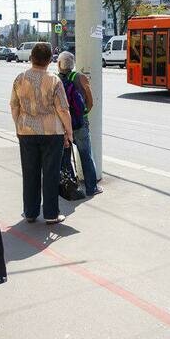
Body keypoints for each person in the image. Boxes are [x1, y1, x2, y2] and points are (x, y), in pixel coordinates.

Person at [10, 42, 73, 224]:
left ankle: (30, 212)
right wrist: (69, 133)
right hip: (52, 133)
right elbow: (63, 110)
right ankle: (51, 214)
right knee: (51, 174)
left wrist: (18, 126)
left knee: (30, 172)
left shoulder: (19, 79)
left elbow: (14, 106)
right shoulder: (54, 80)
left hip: (26, 132)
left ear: (31, 58)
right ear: (50, 60)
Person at [57, 52, 102, 197]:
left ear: (59, 64)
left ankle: (71, 188)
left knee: (65, 157)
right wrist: (82, 114)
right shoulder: (80, 77)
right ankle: (91, 188)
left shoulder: (55, 79)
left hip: (63, 125)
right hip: (80, 124)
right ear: (73, 64)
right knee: (86, 155)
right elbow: (90, 100)